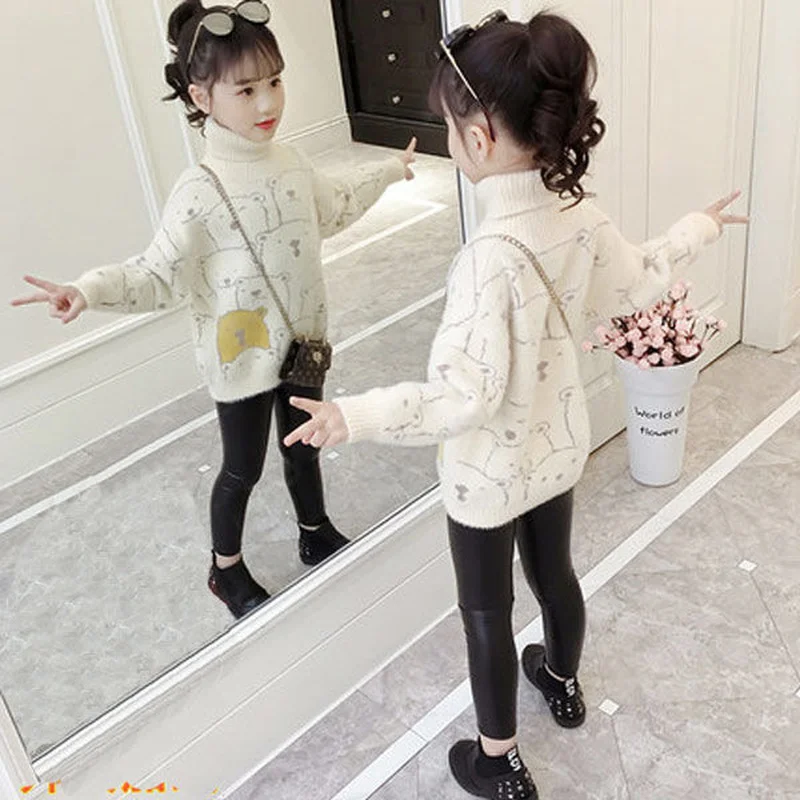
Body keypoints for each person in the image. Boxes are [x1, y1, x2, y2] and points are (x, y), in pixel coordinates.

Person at [283, 10, 747, 799]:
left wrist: (352, 416)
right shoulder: (580, 216)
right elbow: (639, 282)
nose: (449, 139)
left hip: (486, 479)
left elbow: (458, 400)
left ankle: (496, 760)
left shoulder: (486, 259)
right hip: (556, 449)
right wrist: (696, 228)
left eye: (449, 126)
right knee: (555, 574)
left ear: (480, 137)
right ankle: (561, 681)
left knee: (487, 612)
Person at [10, 0, 417, 621]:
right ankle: (224, 569)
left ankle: (314, 530)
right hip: (240, 359)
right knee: (242, 469)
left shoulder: (292, 163)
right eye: (246, 89)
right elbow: (156, 274)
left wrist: (390, 169)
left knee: (304, 446)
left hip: (303, 345)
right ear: (201, 97)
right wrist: (88, 290)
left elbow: (333, 207)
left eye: (275, 81)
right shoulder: (197, 192)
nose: (268, 102)